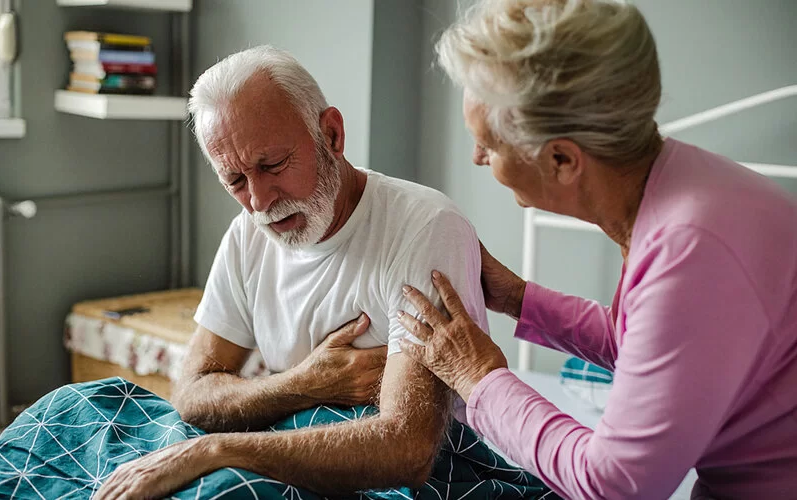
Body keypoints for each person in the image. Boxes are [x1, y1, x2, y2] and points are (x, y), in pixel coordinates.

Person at [395, 1, 797, 499]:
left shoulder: (691, 251)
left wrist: (480, 378)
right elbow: (648, 348)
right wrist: (519, 298)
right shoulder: (682, 183)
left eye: (489, 146)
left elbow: (614, 485)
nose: (476, 158)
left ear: (562, 159)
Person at [96, 45, 489, 498]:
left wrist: (216, 450)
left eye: (272, 165)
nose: (260, 202)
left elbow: (407, 447)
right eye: (236, 182)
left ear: (332, 135)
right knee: (79, 406)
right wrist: (304, 384)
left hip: (403, 474)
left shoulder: (423, 228)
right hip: (284, 440)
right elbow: (192, 393)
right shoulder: (248, 235)